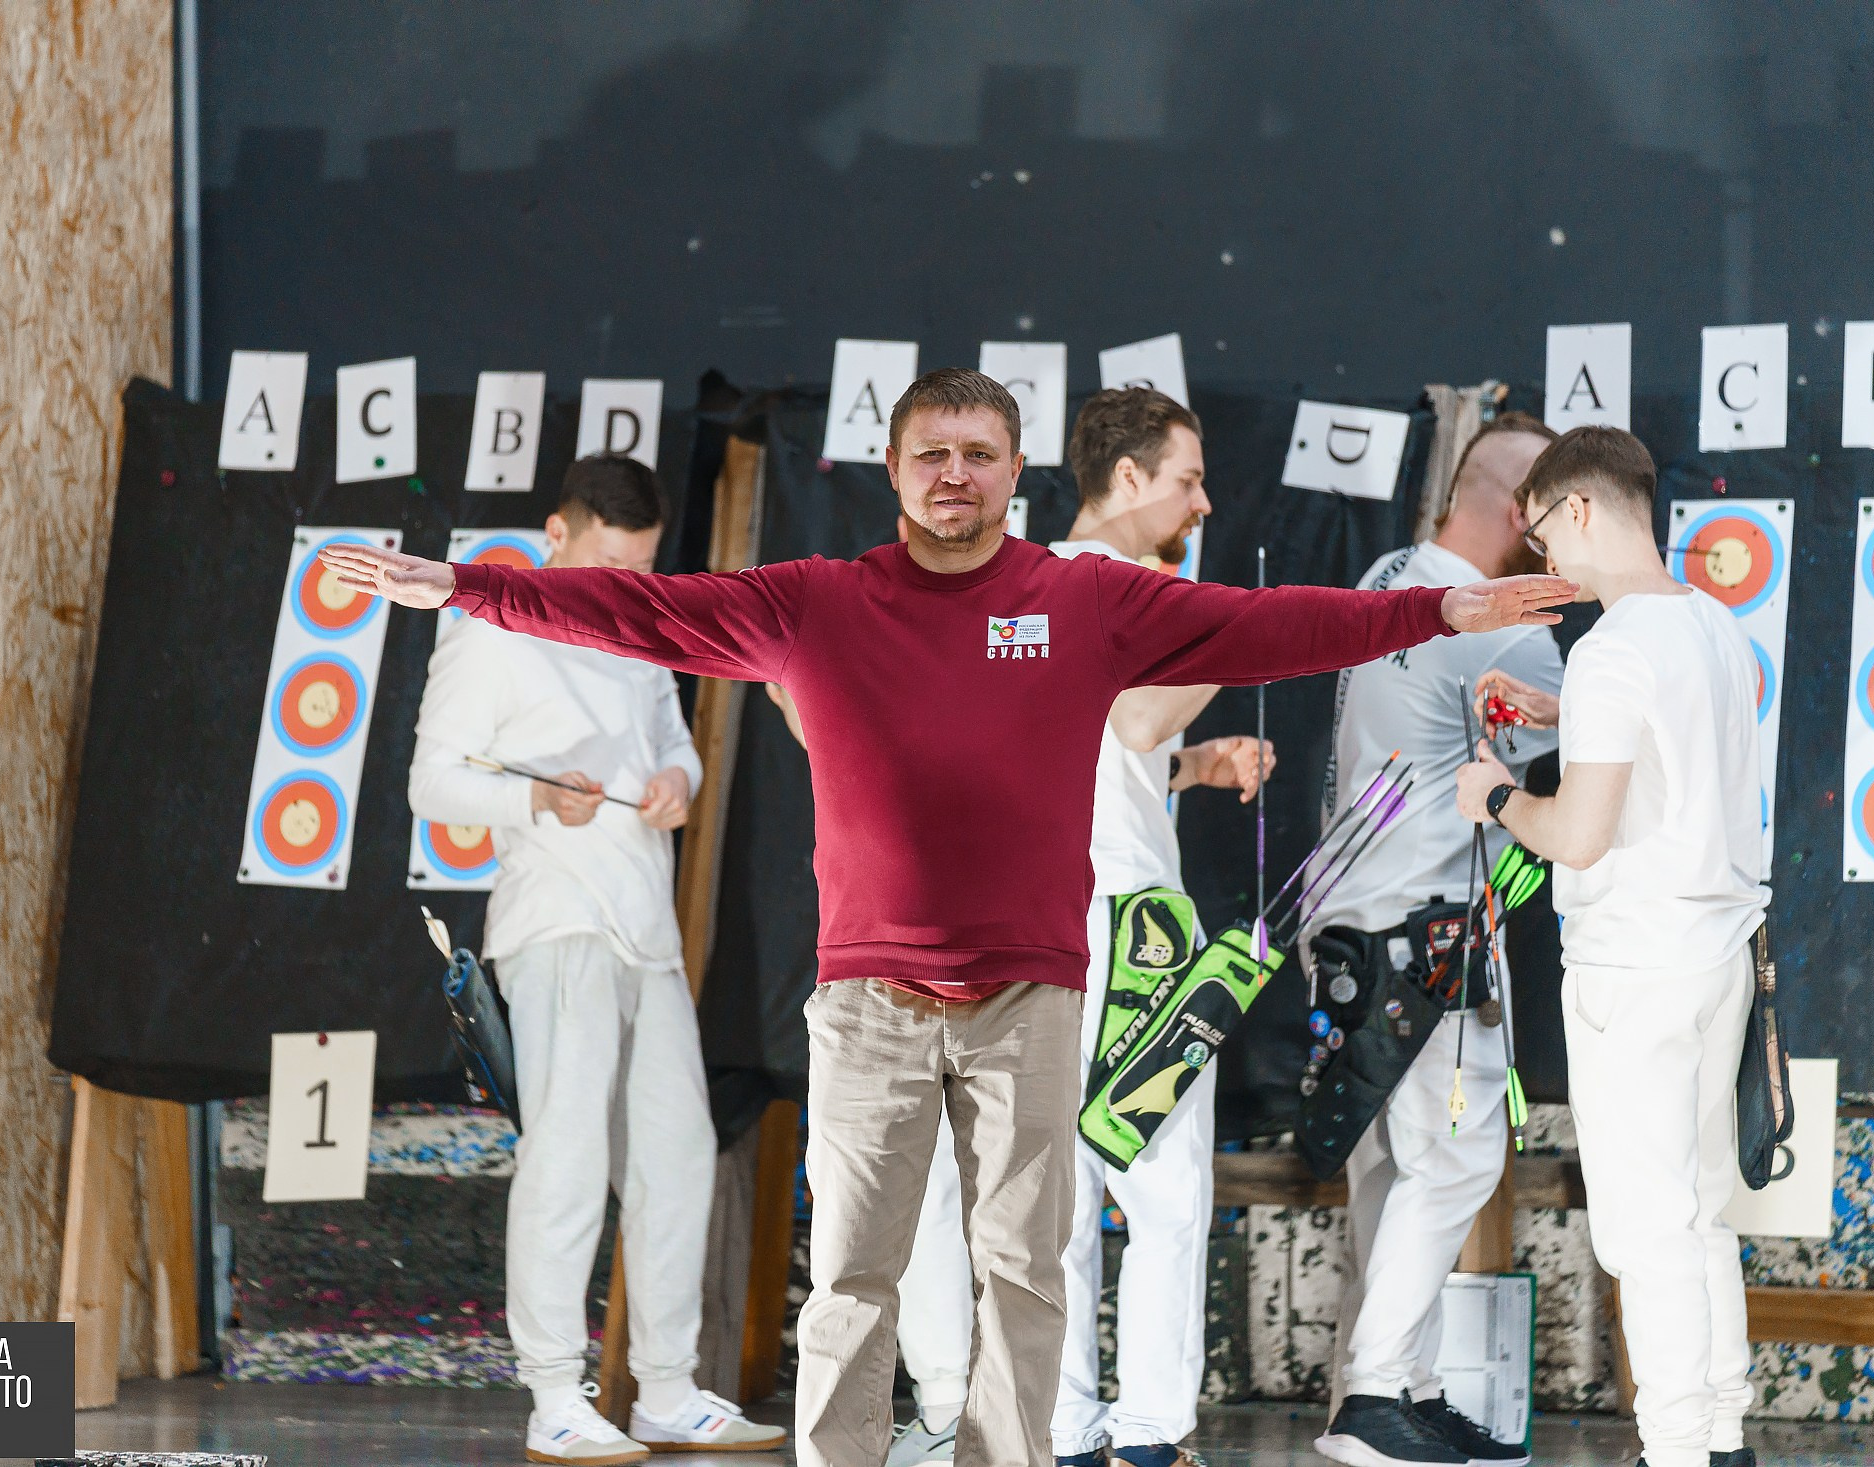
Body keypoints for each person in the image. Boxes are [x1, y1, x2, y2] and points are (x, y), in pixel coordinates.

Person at [325, 367, 1574, 1467]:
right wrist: (464, 586)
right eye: (933, 453)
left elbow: (1273, 626)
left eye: (979, 454)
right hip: (867, 1000)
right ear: (895, 471)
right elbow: (639, 612)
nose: (955, 475)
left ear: (1013, 474)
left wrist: (1439, 610)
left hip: (1032, 994)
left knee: (1029, 1273)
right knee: (853, 1286)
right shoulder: (818, 601)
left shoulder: (1084, 600)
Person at [881, 388, 1276, 1467]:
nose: (1202, 499)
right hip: (1118, 922)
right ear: (1132, 478)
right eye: (1189, 479)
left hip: (1055, 916)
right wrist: (1232, 626)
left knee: (1066, 1187)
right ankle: (1143, 1433)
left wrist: (1202, 767)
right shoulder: (1116, 589)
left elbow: (1119, 750)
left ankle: (1064, 1427)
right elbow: (1140, 712)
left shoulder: (1032, 577)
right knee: (1161, 1180)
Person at [408, 455, 785, 1465]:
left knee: (676, 1158)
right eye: (607, 564)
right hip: (555, 922)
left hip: (645, 927)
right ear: (555, 538)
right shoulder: (489, 629)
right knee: (567, 1159)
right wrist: (536, 798)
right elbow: (430, 785)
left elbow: (678, 742)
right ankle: (552, 1398)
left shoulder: (640, 628)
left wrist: (676, 779)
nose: (621, 585)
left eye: (641, 566)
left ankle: (665, 1389)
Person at [1455, 426, 1765, 1467]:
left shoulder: (1613, 648)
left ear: (1577, 509)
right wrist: (1561, 716)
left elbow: (1574, 836)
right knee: (1700, 1211)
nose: (1545, 562)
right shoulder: (1714, 628)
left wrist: (1498, 794)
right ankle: (1719, 1436)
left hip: (1633, 968)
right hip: (1717, 955)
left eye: (1542, 535)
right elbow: (1673, 756)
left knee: (1644, 1232)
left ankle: (1676, 1450)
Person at [1310, 413, 1563, 1467]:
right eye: (1553, 512)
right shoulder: (1505, 623)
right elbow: (1582, 756)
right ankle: (1373, 1398)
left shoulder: (1386, 575)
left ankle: (1400, 1390)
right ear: (1520, 514)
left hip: (1343, 917)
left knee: (1389, 1165)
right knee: (1459, 1157)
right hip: (1430, 928)